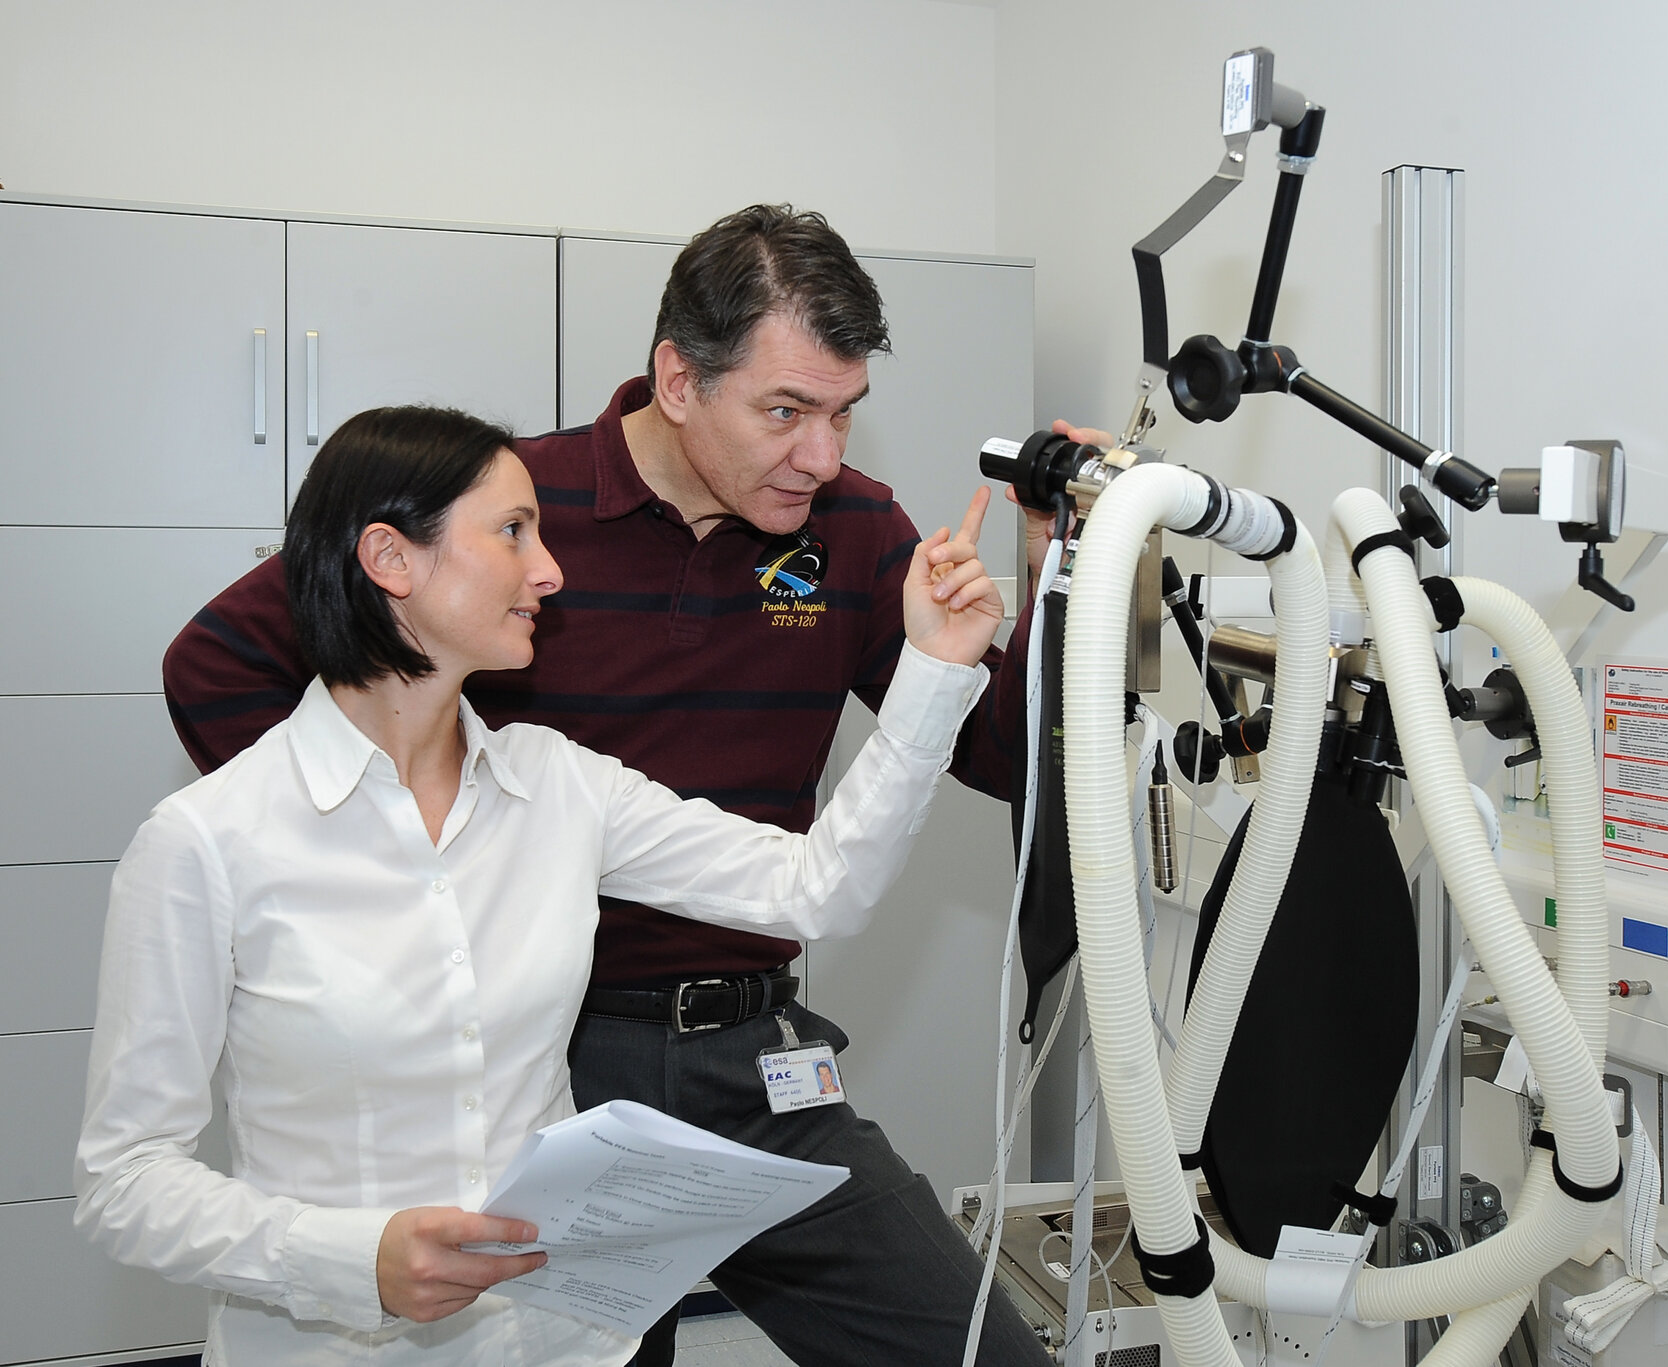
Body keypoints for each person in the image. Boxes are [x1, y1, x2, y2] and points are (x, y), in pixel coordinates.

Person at [162, 204, 1065, 1365]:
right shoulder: (508, 514)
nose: (823, 455)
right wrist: (396, 871)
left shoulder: (851, 531)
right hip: (548, 1055)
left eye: (843, 414)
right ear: (678, 379)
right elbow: (217, 667)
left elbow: (996, 753)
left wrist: (1059, 582)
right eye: (785, 411)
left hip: (753, 1056)